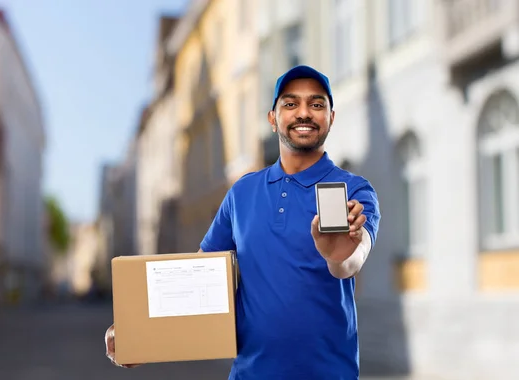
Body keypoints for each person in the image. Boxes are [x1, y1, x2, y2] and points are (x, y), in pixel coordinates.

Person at [105, 65, 381, 379]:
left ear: (331, 117)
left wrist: (337, 256)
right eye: (290, 104)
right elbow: (199, 278)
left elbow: (352, 261)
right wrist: (141, 335)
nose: (304, 113)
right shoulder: (242, 193)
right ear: (272, 118)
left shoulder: (355, 191)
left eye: (317, 104)